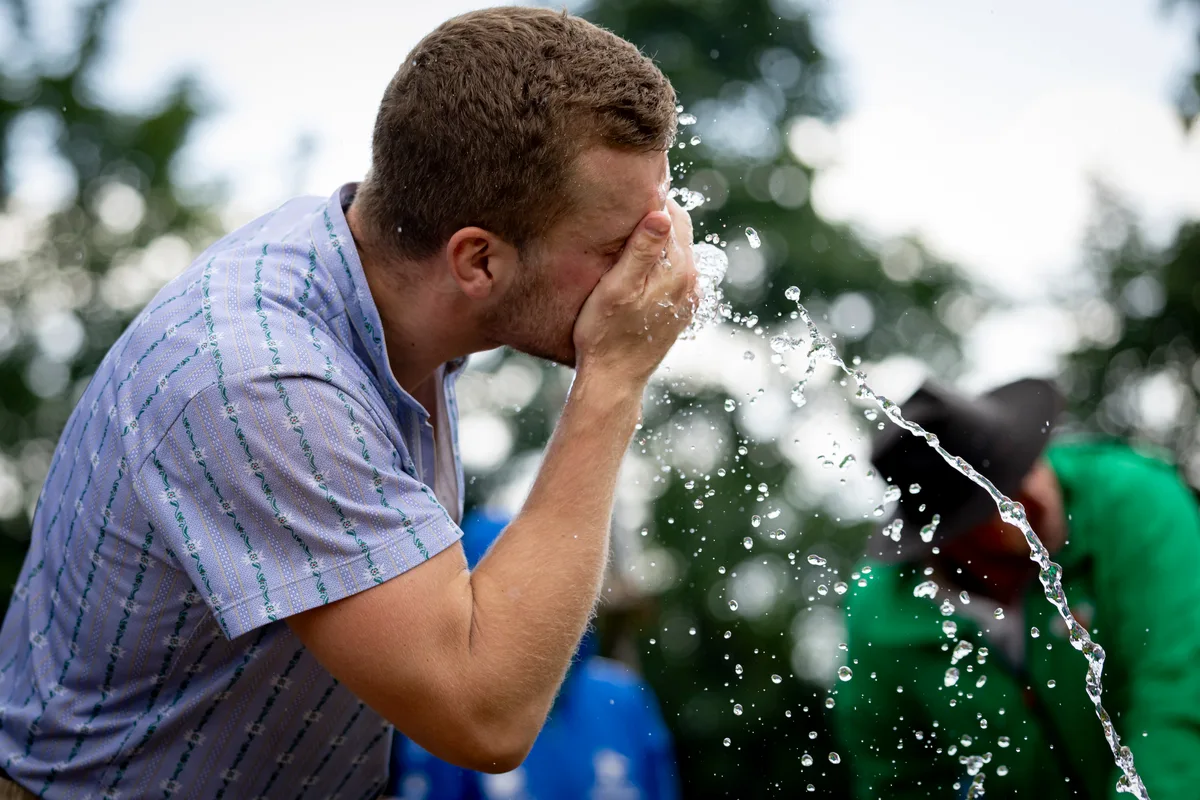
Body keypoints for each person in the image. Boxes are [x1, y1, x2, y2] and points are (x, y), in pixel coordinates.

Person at [0, 8, 698, 798]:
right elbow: (484, 716)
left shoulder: (380, 272)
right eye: (617, 248)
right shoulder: (261, 381)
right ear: (477, 261)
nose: (660, 263)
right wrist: (612, 382)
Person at [833, 378, 1200, 800]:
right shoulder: (881, 617)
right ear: (945, 537)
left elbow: (1178, 703)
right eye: (999, 496)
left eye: (1025, 460)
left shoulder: (1136, 504)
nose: (1034, 492)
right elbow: (897, 783)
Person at [384, 508, 680, 800]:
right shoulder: (443, 717)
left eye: (539, 584)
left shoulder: (622, 697)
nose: (530, 611)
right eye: (501, 599)